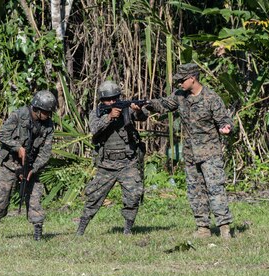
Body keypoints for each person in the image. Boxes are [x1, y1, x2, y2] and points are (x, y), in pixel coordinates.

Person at [143, 63, 234, 239]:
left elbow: (224, 120)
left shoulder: (211, 98)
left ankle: (224, 228)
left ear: (193, 78)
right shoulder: (180, 96)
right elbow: (163, 104)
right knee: (195, 191)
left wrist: (227, 128)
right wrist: (145, 104)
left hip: (209, 153)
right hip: (191, 154)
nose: (179, 84)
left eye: (182, 80)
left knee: (216, 189)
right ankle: (203, 228)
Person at [76, 80, 148, 235]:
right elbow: (94, 129)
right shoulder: (96, 113)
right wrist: (109, 117)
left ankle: (128, 228)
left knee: (133, 195)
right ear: (101, 100)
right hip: (106, 164)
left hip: (128, 162)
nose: (112, 102)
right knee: (94, 196)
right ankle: (81, 228)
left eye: (115, 98)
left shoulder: (126, 109)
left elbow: (142, 117)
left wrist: (138, 110)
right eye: (108, 99)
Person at [0, 90, 57, 241]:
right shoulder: (19, 115)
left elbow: (46, 152)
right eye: (46, 112)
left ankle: (38, 234)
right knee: (1, 199)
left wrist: (34, 169)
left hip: (31, 166)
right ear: (37, 109)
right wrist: (17, 147)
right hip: (9, 165)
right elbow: (2, 134)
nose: (49, 115)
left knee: (35, 199)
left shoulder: (48, 126)